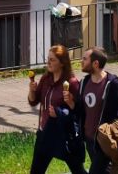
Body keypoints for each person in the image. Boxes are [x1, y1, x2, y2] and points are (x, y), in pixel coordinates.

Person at [27, 45, 87, 174]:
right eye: (48, 59)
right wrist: (31, 90)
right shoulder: (45, 79)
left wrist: (66, 106)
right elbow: (33, 101)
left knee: (77, 170)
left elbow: (79, 111)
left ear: (62, 63)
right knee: (36, 171)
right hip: (45, 133)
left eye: (52, 60)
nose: (48, 62)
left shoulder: (72, 82)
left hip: (63, 134)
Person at [77, 46, 118, 174]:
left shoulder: (113, 84)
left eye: (85, 59)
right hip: (90, 141)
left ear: (95, 63)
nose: (82, 61)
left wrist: (111, 130)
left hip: (105, 141)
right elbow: (80, 111)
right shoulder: (84, 83)